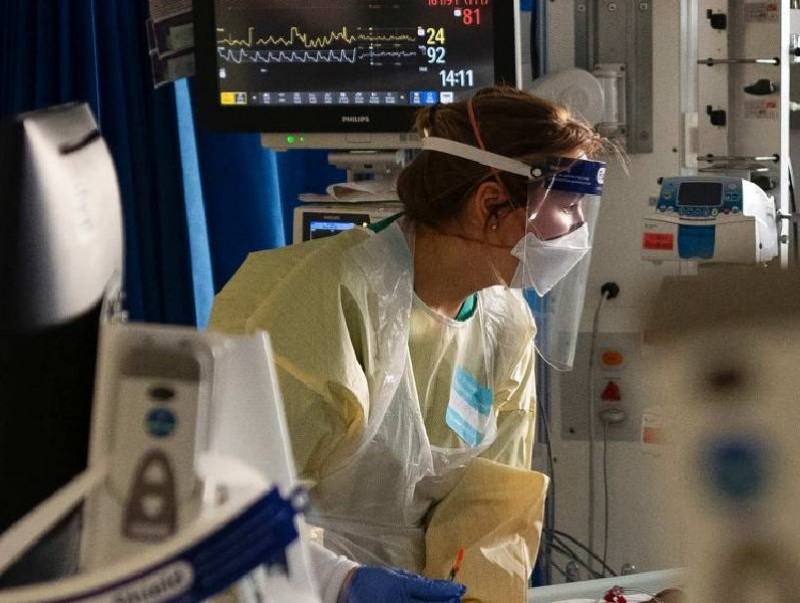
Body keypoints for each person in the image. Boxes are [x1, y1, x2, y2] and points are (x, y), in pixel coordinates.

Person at [210, 86, 607, 603]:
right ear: (491, 203)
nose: (578, 226)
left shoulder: (506, 327)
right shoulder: (328, 297)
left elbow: (490, 514)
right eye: (569, 204)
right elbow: (228, 506)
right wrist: (340, 583)